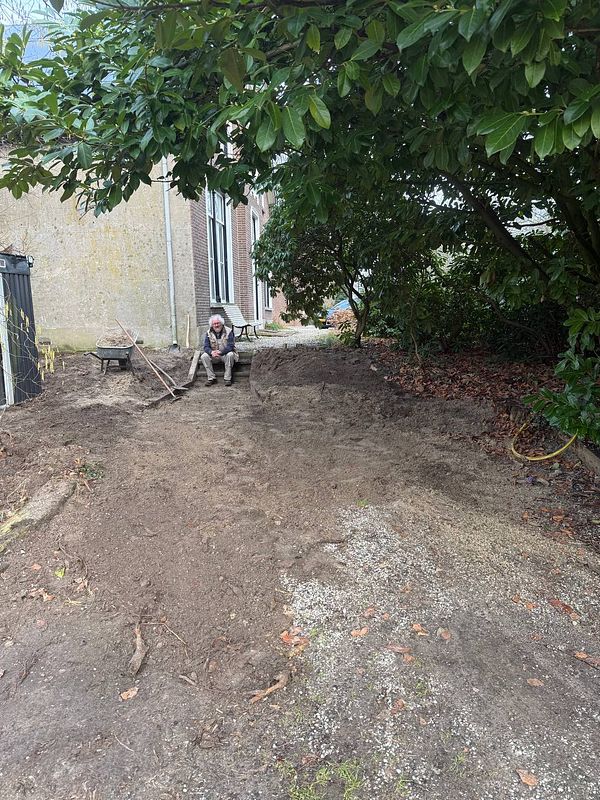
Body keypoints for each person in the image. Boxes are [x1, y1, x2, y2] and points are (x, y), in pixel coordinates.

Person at [200, 314, 239, 386]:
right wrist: (211, 352)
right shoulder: (208, 333)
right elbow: (206, 347)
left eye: (218, 323)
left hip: (225, 354)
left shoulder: (229, 331)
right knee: (204, 356)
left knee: (230, 354)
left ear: (221, 323)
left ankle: (227, 379)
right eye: (214, 324)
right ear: (212, 325)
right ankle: (211, 378)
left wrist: (221, 352)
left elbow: (231, 346)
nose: (216, 325)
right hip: (214, 355)